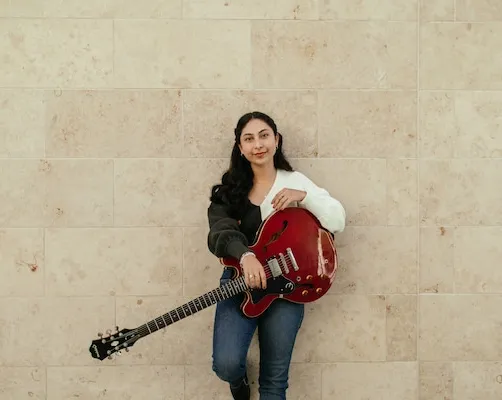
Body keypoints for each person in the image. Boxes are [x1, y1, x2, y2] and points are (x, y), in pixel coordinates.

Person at [206, 111, 346, 400]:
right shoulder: (229, 191)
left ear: (276, 140)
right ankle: (238, 380)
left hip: (288, 290)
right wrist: (244, 256)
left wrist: (305, 197)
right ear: (240, 147)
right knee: (226, 364)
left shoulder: (295, 181)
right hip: (238, 282)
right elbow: (219, 231)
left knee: (274, 381)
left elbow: (337, 220)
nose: (258, 144)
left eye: (264, 136)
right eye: (249, 139)